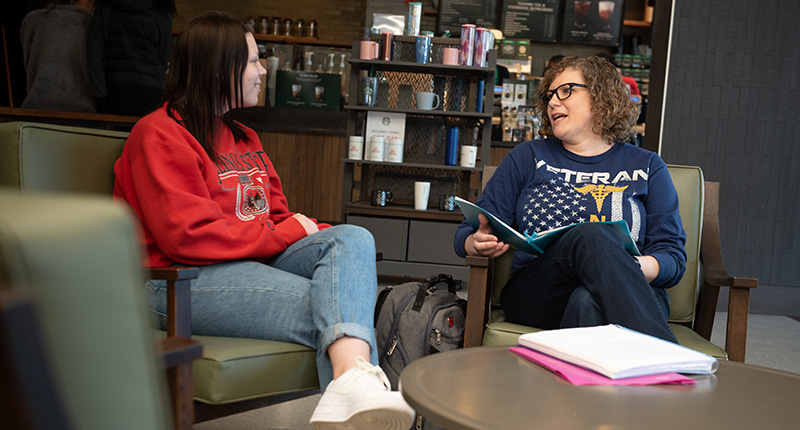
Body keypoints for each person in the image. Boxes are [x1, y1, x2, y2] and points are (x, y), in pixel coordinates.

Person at [113, 11, 414, 430]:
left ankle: (350, 390)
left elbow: (274, 217)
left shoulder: (244, 138)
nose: (262, 71)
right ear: (220, 69)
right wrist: (291, 230)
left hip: (247, 265)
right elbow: (188, 237)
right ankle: (358, 395)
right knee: (340, 314)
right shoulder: (159, 133)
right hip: (175, 282)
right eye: (254, 60)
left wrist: (317, 237)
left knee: (353, 239)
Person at [453, 56, 686, 343]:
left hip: (632, 292)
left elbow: (673, 259)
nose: (552, 102)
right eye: (549, 95)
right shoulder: (528, 157)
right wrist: (474, 242)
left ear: (602, 96)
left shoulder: (648, 165)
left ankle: (580, 386)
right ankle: (666, 359)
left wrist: (621, 268)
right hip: (540, 293)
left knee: (586, 301)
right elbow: (467, 232)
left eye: (566, 91)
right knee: (592, 234)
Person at [87, 0, 174, 115]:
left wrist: (100, 95)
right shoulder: (162, 6)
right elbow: (164, 57)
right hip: (151, 93)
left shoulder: (106, 6)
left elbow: (94, 56)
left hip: (116, 92)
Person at [19, 0, 96, 112]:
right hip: (85, 114)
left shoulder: (32, 20)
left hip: (36, 111)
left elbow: (29, 65)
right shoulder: (91, 24)